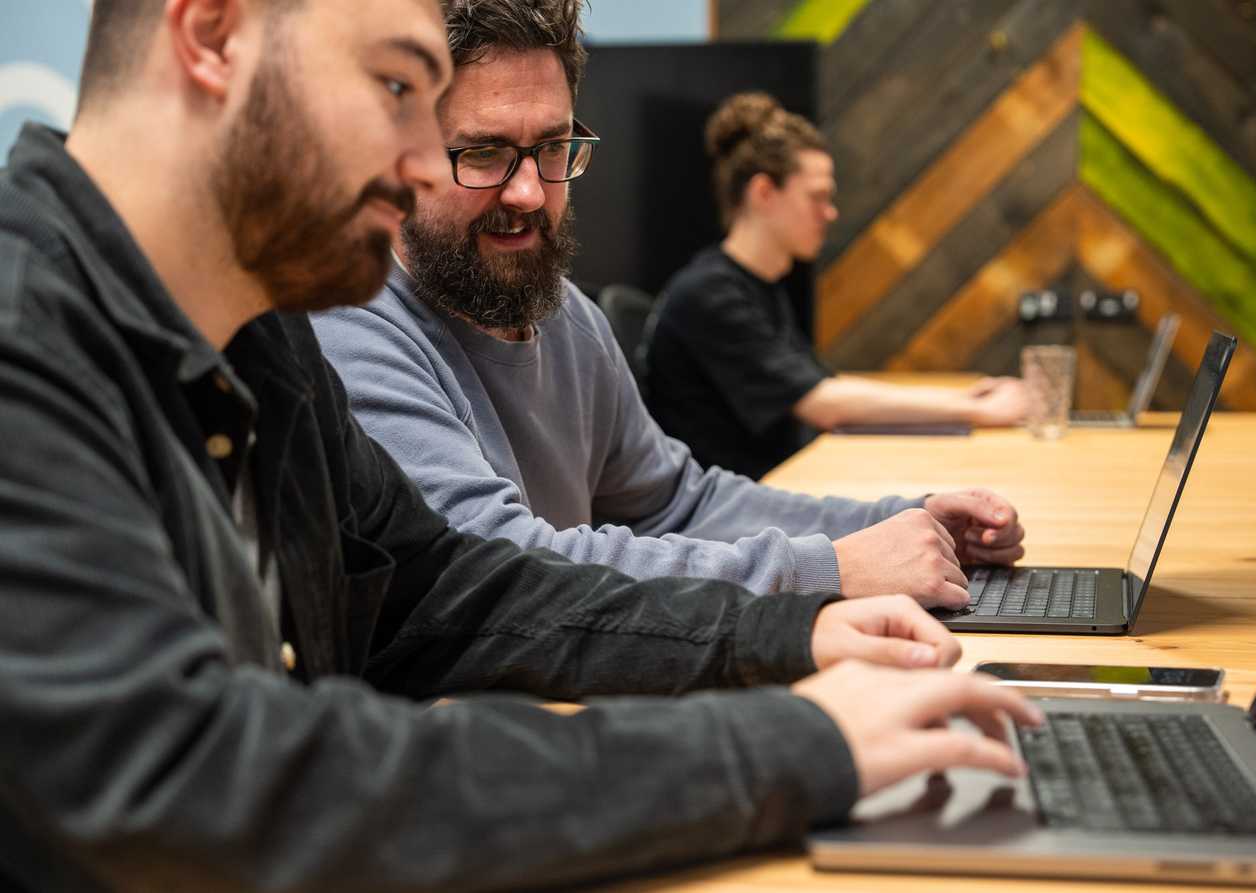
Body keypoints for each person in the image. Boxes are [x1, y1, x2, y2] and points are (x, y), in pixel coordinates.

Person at [0, 0, 1043, 889]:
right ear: (215, 32)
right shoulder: (23, 344)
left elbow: (454, 590)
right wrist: (788, 742)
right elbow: (204, 780)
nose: (419, 166)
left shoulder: (261, 339)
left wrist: (784, 634)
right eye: (396, 87)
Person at [313, 0, 1026, 610]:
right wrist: (832, 571)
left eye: (553, 146)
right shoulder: (350, 324)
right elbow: (501, 564)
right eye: (483, 153)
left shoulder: (567, 316)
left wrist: (906, 521)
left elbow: (680, 505)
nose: (529, 191)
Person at [645, 92, 1034, 480]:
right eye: (817, 197)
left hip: (775, 487)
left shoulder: (757, 287)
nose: (829, 213)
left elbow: (824, 386)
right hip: (734, 518)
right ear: (763, 192)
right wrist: (976, 412)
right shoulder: (710, 294)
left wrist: (959, 398)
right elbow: (823, 403)